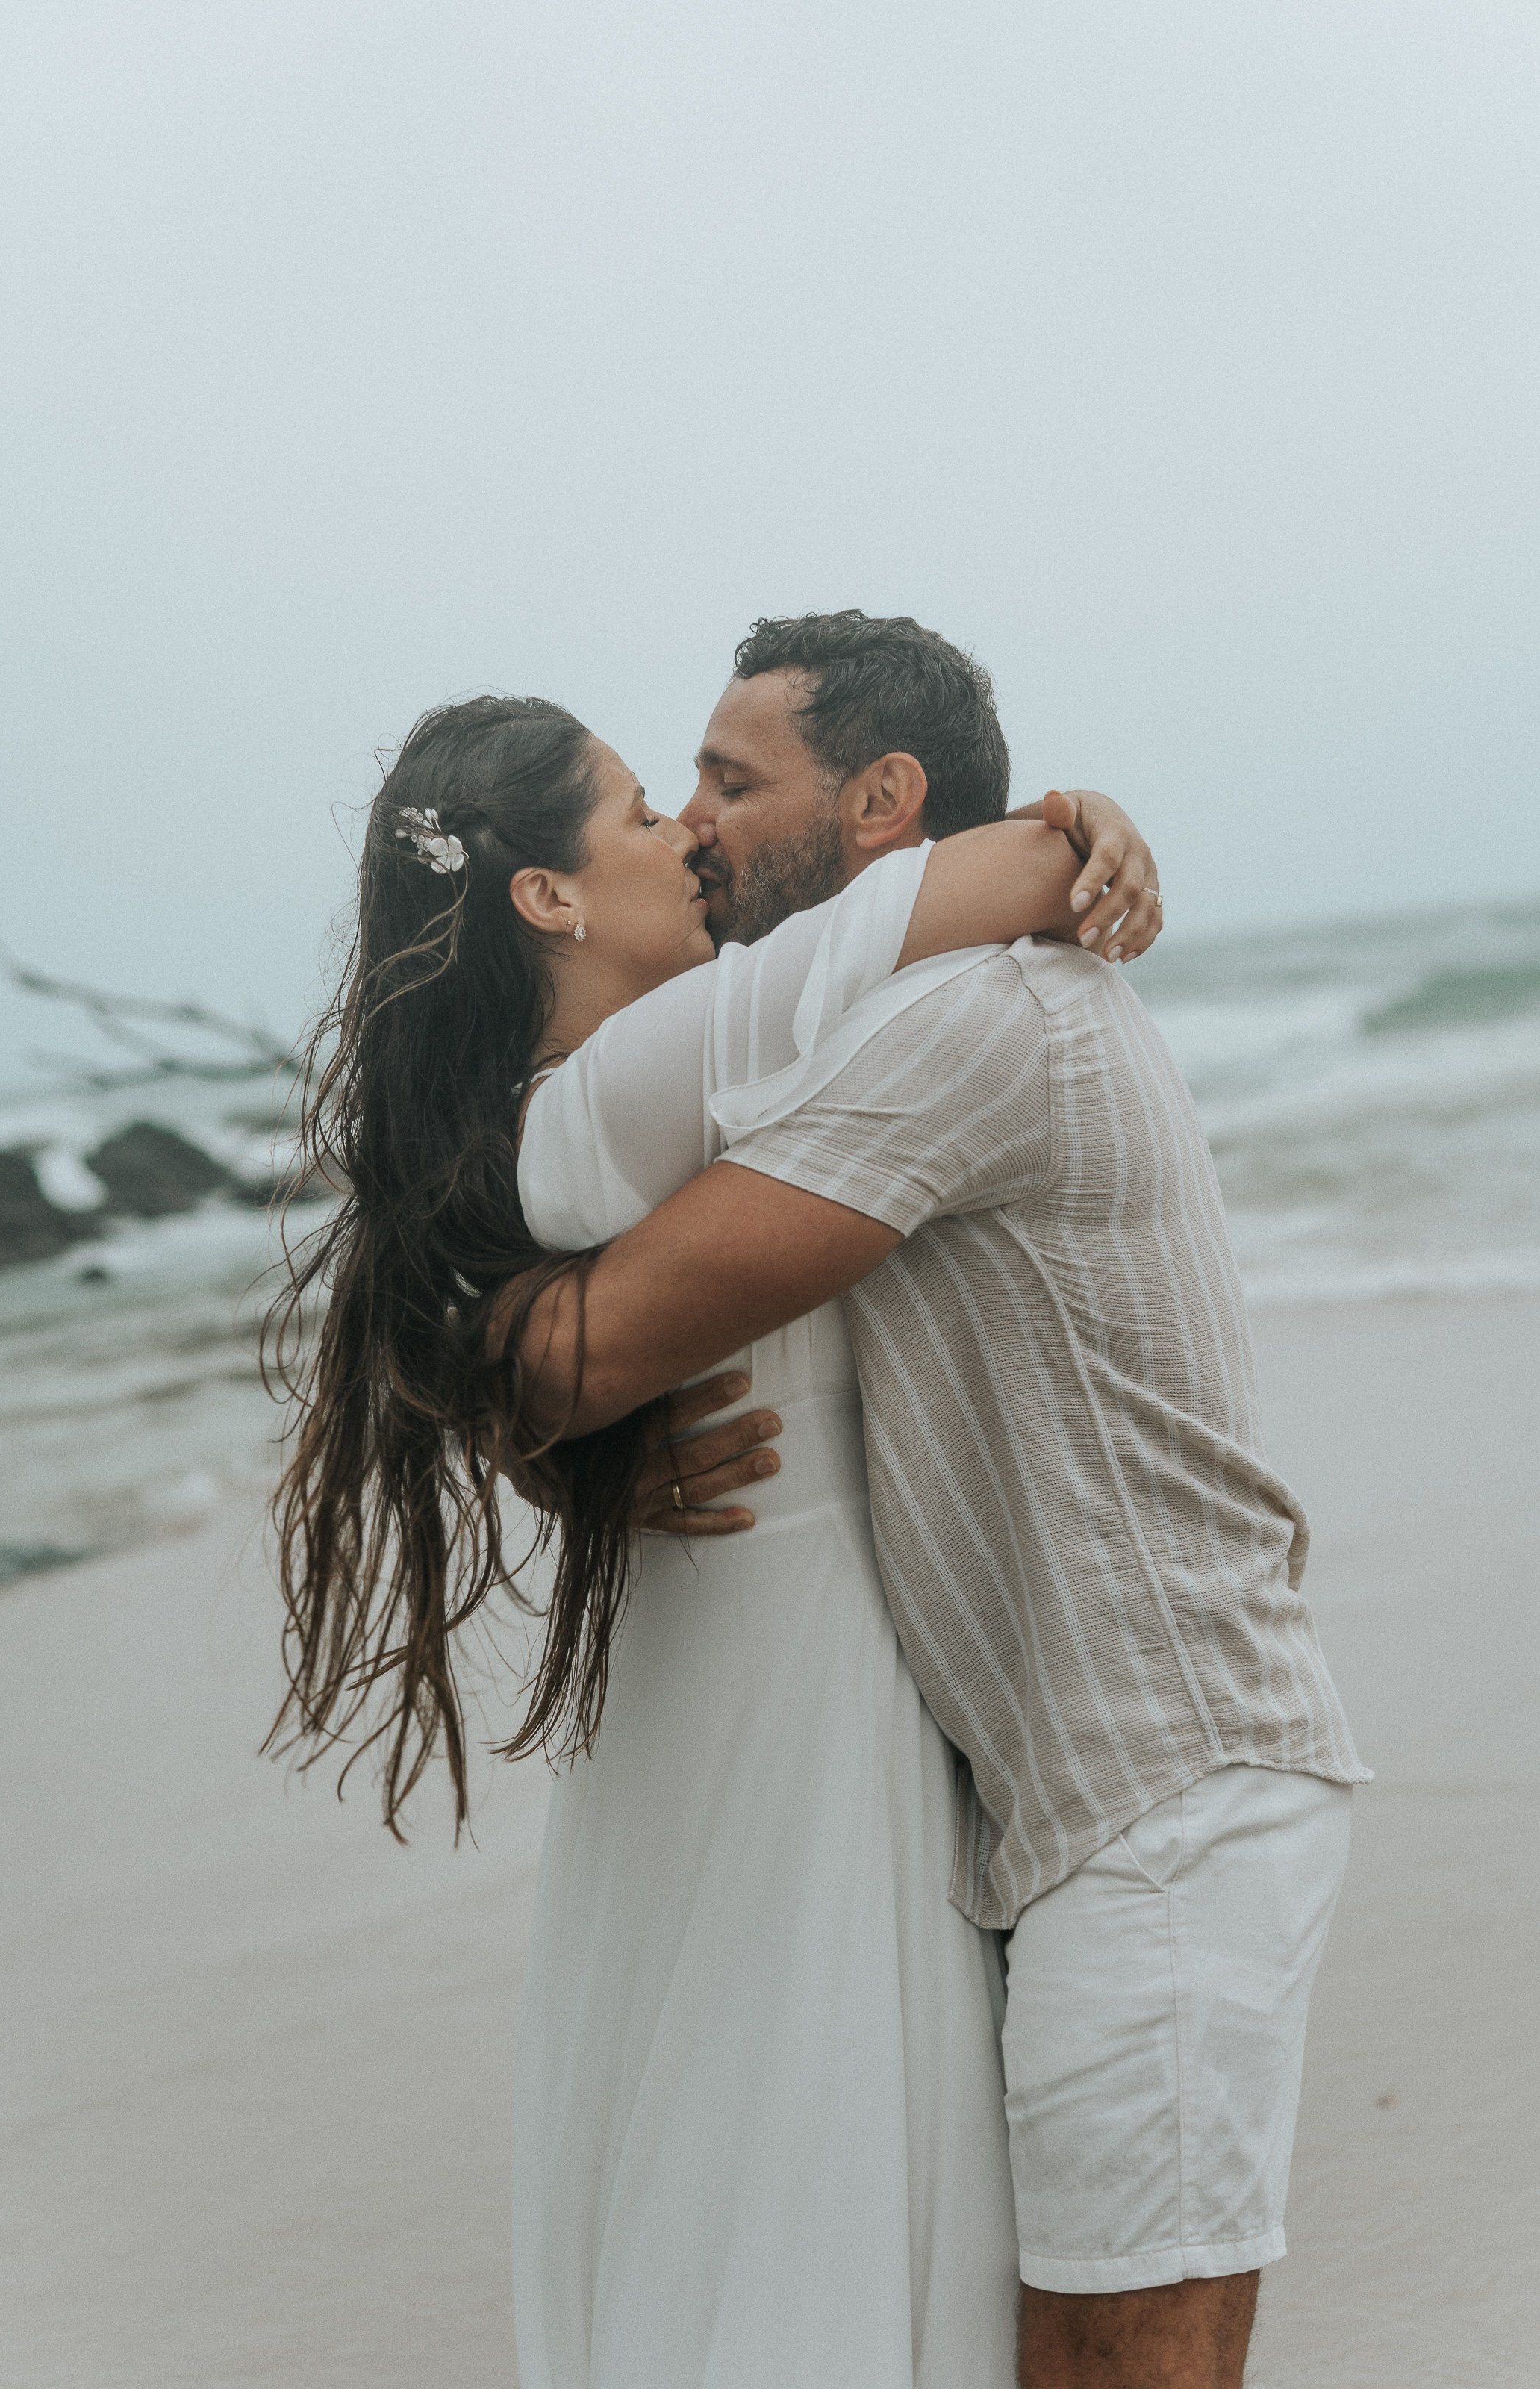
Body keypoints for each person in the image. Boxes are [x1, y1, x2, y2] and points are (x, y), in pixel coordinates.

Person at [266, 664, 1158, 2386]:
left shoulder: (576, 1115)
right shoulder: (656, 1065)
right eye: (632, 807)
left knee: (710, 2091)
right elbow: (997, 889)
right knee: (813, 2104)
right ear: (544, 895)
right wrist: (1081, 827)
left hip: (715, 1668)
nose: (681, 826)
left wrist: (547, 1442)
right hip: (797, 1664)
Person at [512, 612, 1369, 2389]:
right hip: (1061, 1799)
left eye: (730, 782)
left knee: (1121, 2352)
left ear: (882, 800)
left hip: (1160, 1779)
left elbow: (596, 1340)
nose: (689, 823)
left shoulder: (976, 1017)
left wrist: (514, 1390)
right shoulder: (861, 1019)